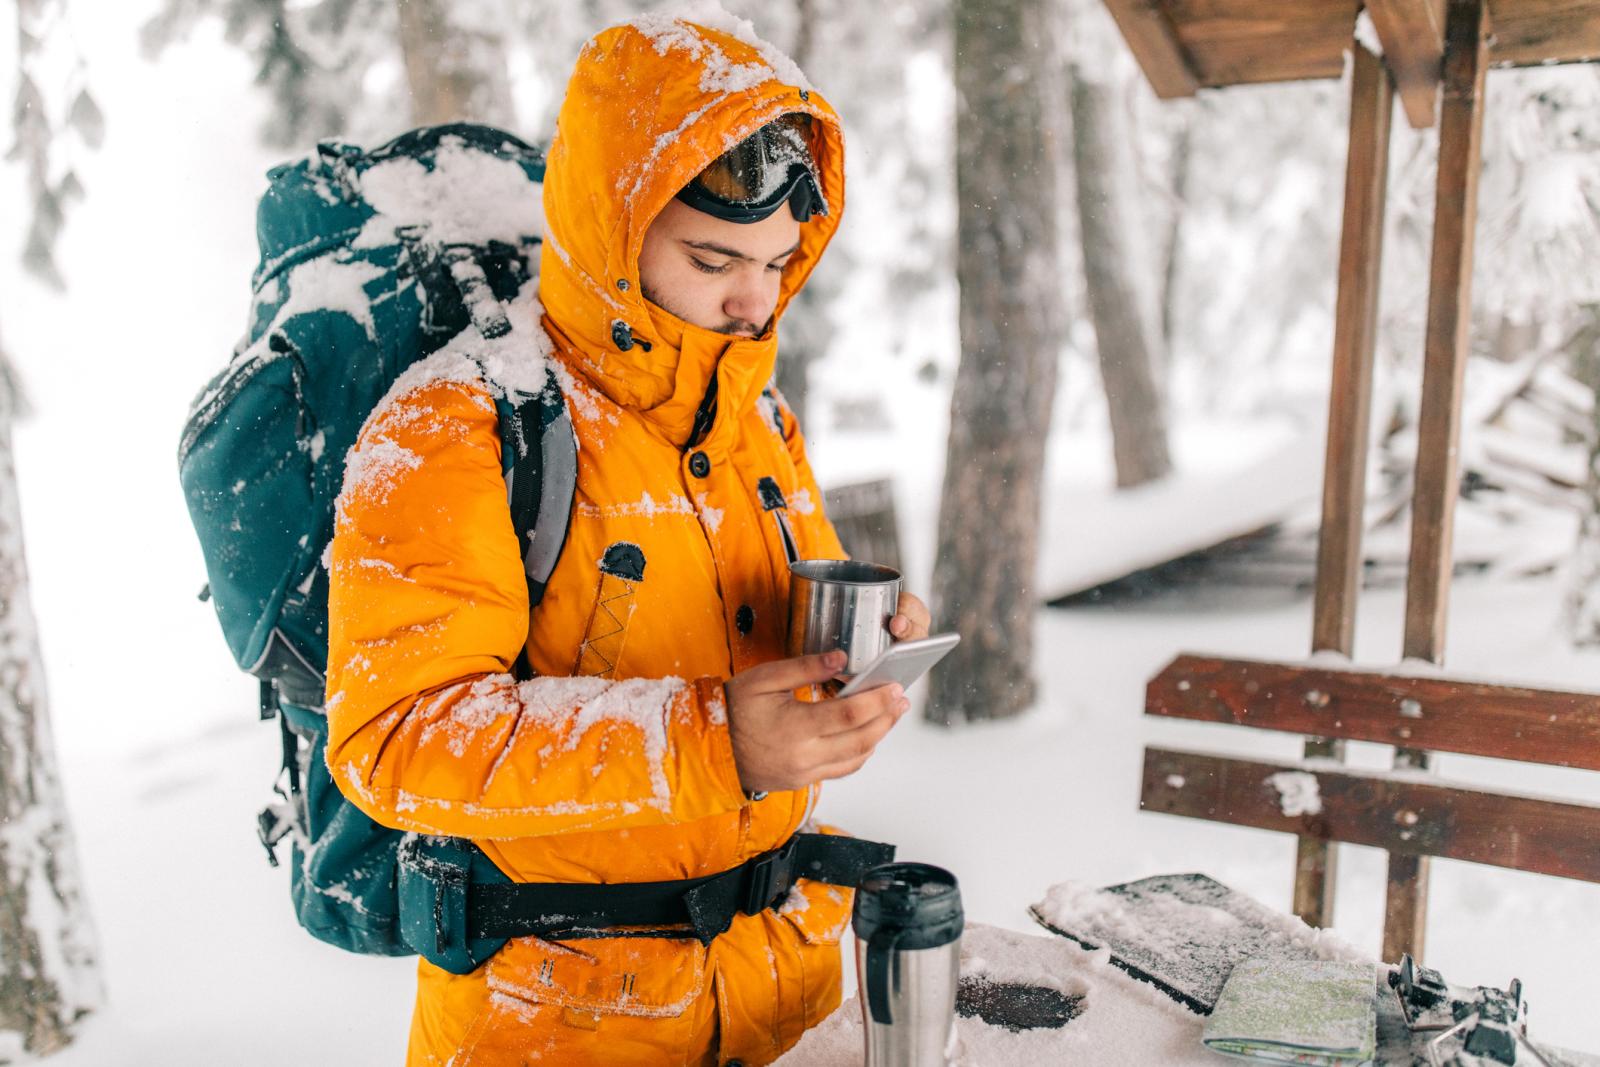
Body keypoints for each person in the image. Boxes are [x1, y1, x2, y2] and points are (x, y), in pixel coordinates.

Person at [324, 15, 929, 1066]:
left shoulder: (759, 420)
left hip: (785, 993)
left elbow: (729, 628)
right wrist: (714, 741)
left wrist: (857, 646)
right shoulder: (454, 427)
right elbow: (393, 737)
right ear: (613, 227)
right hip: (556, 1020)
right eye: (713, 258)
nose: (756, 301)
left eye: (781, 262)